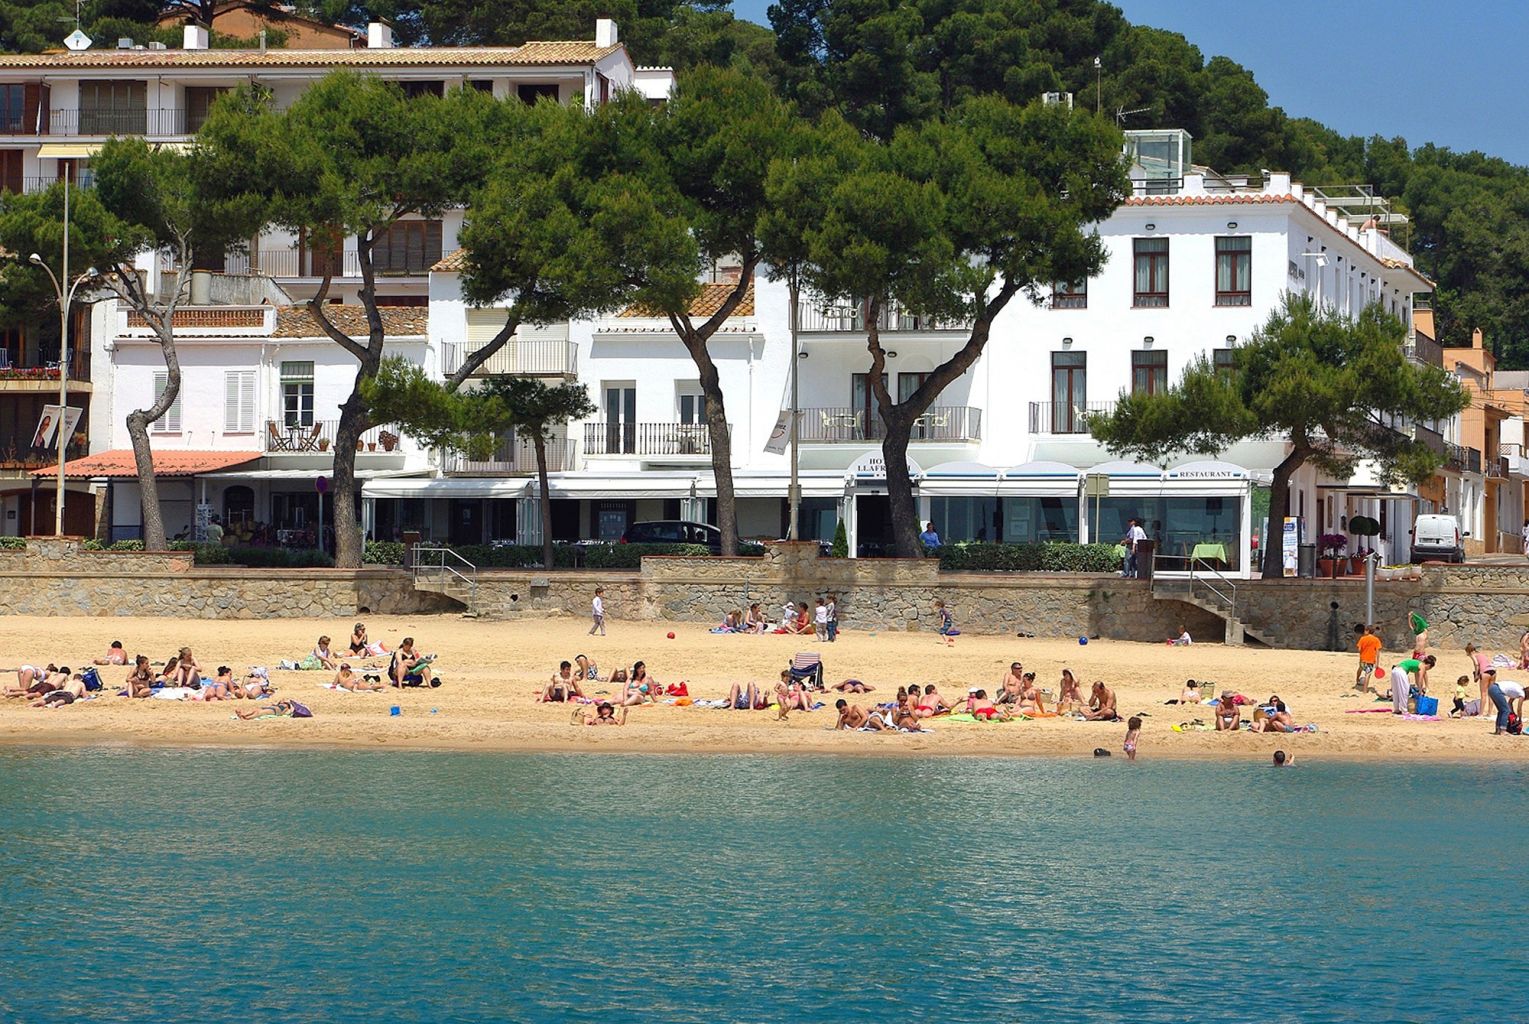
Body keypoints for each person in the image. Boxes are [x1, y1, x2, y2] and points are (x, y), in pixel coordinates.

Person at [1355, 624, 1382, 692]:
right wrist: (1377, 663)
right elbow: (1378, 652)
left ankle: (1357, 680)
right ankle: (1364, 690)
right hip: (1370, 660)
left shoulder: (1362, 638)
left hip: (1362, 659)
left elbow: (1359, 649)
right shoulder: (1376, 640)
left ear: (1367, 631)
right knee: (1367, 674)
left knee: (1360, 669)